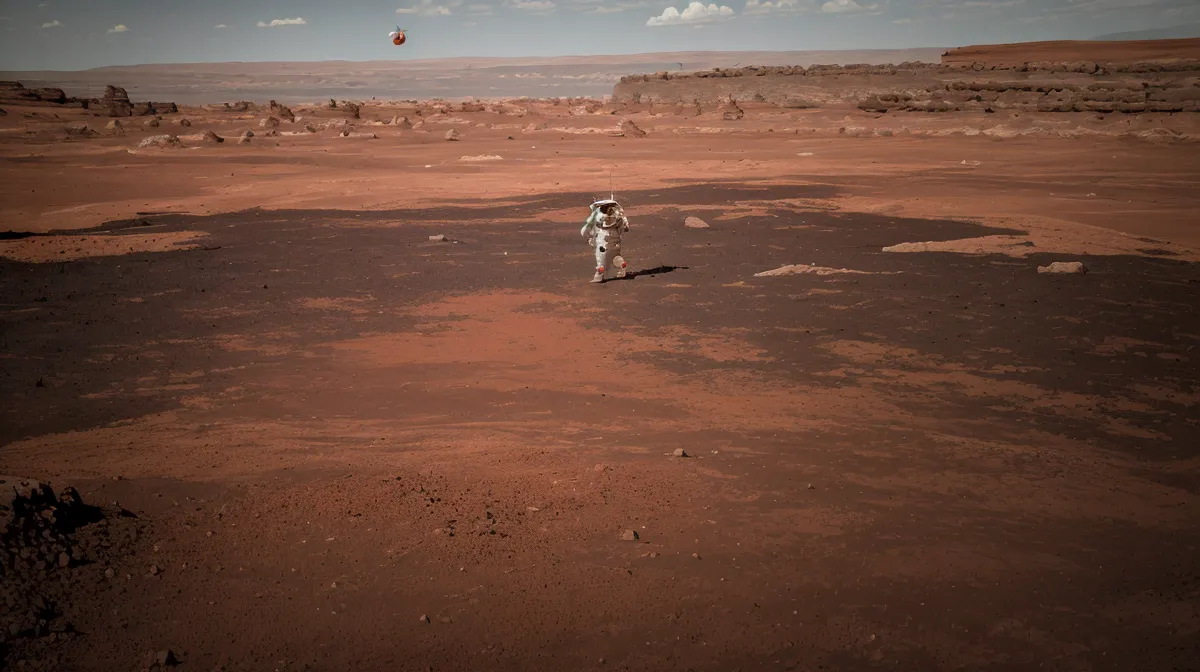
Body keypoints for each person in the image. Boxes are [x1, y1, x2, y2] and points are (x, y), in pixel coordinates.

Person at [581, 199, 630, 283]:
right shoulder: (618, 215)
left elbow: (589, 224)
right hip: (615, 238)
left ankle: (599, 276)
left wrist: (586, 233)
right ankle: (622, 266)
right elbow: (624, 227)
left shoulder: (598, 215)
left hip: (602, 239)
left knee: (600, 257)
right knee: (615, 255)